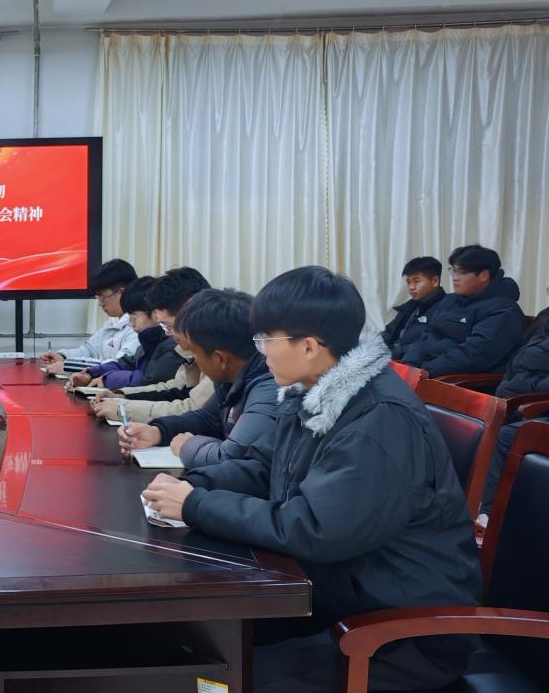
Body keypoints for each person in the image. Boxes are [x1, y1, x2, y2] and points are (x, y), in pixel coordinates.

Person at [142, 266, 481, 692]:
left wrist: (195, 505)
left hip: (398, 631)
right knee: (187, 644)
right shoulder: (314, 392)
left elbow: (316, 528)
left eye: (265, 339)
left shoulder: (379, 420)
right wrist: (196, 483)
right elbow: (264, 466)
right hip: (333, 592)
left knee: (218, 680)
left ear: (308, 346)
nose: (260, 352)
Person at [117, 288, 276, 469]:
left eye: (194, 352)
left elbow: (232, 456)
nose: (194, 360)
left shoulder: (267, 386)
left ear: (220, 359)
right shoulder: (231, 378)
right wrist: (157, 432)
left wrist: (187, 446)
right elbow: (207, 419)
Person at [90, 267, 214, 422]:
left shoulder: (217, 350)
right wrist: (122, 396)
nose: (167, 333)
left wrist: (123, 409)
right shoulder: (195, 347)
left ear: (189, 311)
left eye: (168, 326)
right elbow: (175, 388)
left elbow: (193, 409)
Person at [399, 244, 523, 376]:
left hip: (461, 380)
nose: (455, 277)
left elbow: (474, 354)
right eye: (453, 270)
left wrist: (427, 371)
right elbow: (427, 335)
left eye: (462, 272)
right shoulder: (451, 300)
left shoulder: (504, 311)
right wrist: (409, 364)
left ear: (483, 275)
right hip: (429, 373)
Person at [478, 301, 549, 515]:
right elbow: (521, 362)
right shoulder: (545, 317)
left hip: (532, 401)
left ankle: (491, 515)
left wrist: (523, 389)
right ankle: (483, 511)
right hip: (520, 396)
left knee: (509, 434)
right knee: (476, 421)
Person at [68, 277, 184, 391]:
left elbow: (149, 380)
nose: (130, 324)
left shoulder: (172, 345)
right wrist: (91, 373)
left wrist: (107, 379)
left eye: (133, 318)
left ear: (155, 315)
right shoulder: (147, 345)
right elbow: (126, 364)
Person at [38, 259, 139, 375]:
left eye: (102, 297)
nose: (100, 304)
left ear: (122, 292)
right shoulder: (113, 322)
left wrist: (68, 366)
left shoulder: (138, 327)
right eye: (98, 298)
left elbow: (119, 365)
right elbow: (90, 350)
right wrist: (63, 356)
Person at [381, 256, 446, 361]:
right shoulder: (410, 307)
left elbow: (427, 345)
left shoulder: (446, 307)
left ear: (435, 281)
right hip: (392, 359)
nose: (411, 287)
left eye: (416, 281)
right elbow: (388, 333)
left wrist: (393, 352)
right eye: (408, 282)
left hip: (412, 363)